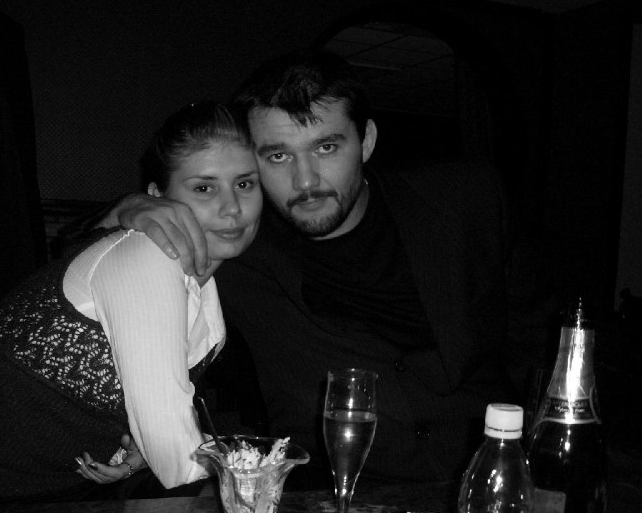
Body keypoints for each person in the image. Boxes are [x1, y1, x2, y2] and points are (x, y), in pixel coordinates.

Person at [97, 50, 544, 487]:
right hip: (323, 492)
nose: (305, 180)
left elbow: (540, 343)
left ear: (366, 141)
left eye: (326, 147)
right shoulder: (236, 243)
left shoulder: (466, 201)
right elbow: (92, 264)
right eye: (278, 156)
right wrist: (126, 210)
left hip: (487, 472)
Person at [0, 102, 262, 505]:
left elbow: (162, 419)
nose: (232, 208)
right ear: (157, 197)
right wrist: (259, 465)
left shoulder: (203, 288)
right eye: (204, 188)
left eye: (245, 184)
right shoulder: (146, 257)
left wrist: (141, 453)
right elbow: (179, 461)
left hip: (53, 490)